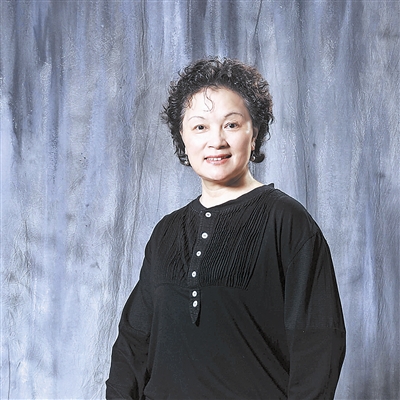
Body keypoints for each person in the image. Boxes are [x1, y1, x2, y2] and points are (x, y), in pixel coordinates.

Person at [106, 57, 346, 399]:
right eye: (200, 127)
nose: (216, 141)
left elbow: (319, 345)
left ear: (255, 132)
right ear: (182, 137)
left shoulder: (287, 222)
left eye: (231, 124)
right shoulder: (166, 233)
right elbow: (133, 343)